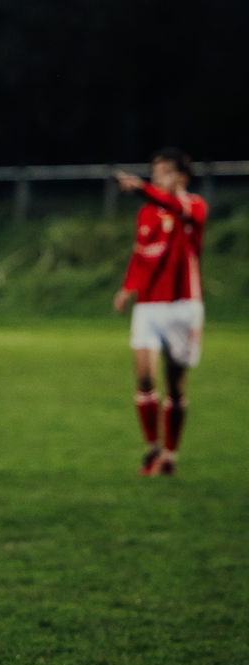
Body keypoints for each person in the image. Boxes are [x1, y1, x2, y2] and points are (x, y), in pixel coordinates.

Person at [112, 149, 207, 477]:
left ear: (182, 177)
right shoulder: (148, 213)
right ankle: (153, 448)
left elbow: (174, 205)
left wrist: (140, 188)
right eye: (154, 173)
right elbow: (141, 255)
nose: (157, 178)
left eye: (164, 172)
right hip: (149, 306)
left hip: (183, 306)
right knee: (144, 378)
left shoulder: (193, 206)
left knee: (176, 386)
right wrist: (128, 288)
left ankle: (170, 454)